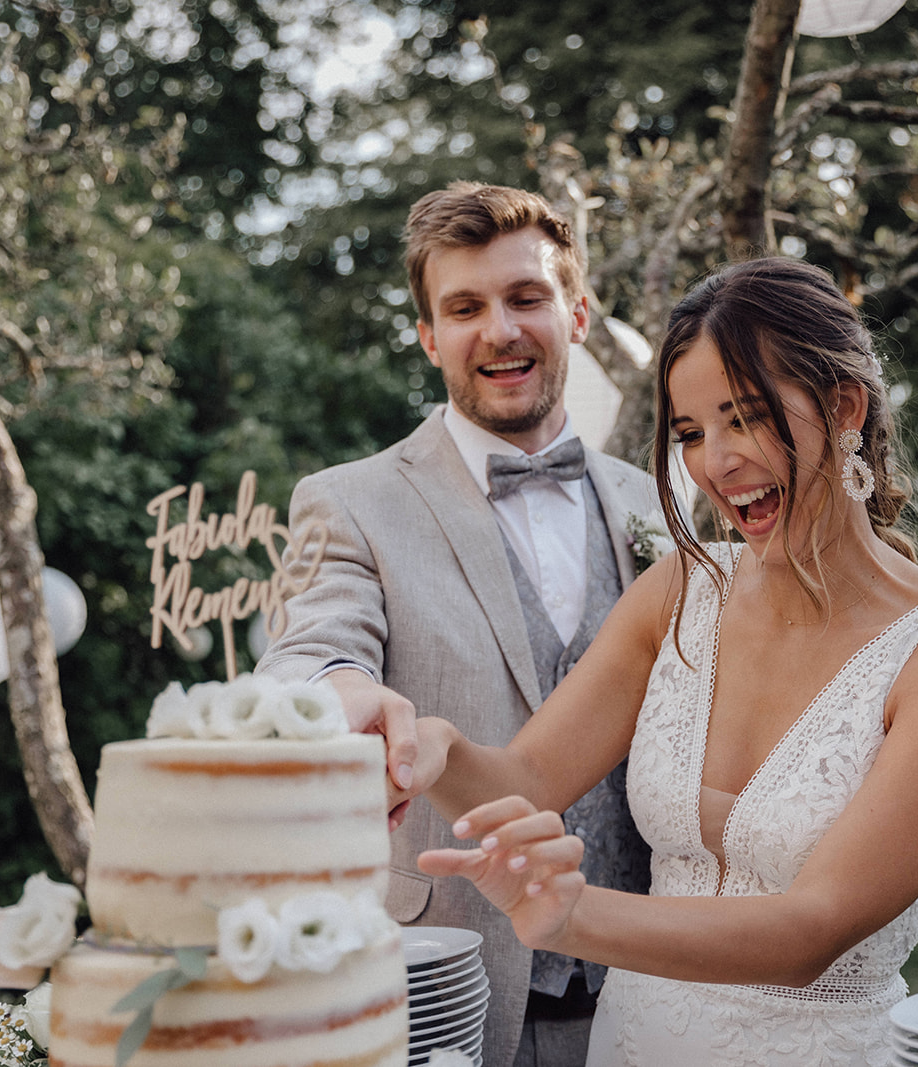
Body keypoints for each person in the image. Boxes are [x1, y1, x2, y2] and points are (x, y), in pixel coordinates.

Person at [396, 257, 918, 1066]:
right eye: (691, 433)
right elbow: (525, 782)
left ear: (843, 405)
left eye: (746, 418)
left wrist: (571, 914)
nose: (716, 462)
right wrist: (433, 746)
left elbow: (812, 927)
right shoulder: (679, 591)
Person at [255, 182, 655, 1067]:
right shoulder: (350, 501)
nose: (500, 331)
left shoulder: (658, 502)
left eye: (526, 298)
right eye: (465, 307)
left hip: (653, 986)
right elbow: (310, 649)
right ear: (432, 336)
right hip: (453, 985)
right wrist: (348, 694)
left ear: (577, 315)